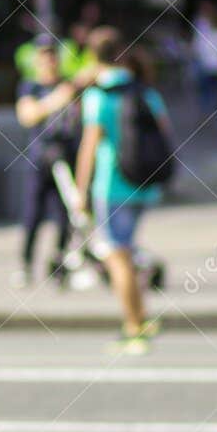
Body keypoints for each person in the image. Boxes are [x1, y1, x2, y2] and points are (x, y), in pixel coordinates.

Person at [74, 28, 169, 354]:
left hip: (112, 186)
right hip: (145, 185)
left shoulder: (98, 95)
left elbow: (89, 146)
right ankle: (141, 316)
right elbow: (164, 134)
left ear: (92, 55)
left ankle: (134, 327)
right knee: (126, 252)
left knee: (117, 257)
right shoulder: (144, 91)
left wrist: (79, 190)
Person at [13, 38, 82, 286]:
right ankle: (25, 264)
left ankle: (59, 264)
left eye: (52, 57)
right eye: (44, 58)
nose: (49, 63)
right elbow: (27, 115)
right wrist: (57, 99)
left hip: (66, 156)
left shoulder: (69, 86)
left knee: (66, 215)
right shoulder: (30, 87)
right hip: (40, 159)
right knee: (33, 214)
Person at [190, 1, 217, 120]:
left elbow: (197, 47)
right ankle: (212, 112)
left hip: (207, 66)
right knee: (214, 92)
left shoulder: (204, 29)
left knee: (205, 92)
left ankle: (206, 112)